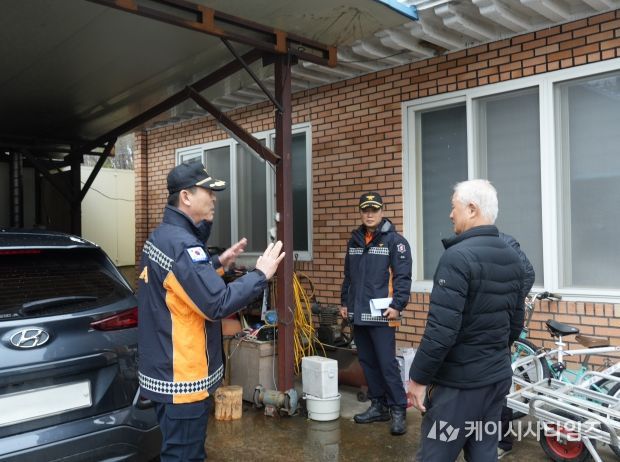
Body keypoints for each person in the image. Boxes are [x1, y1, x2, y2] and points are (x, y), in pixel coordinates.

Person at [137, 161, 285, 461]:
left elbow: (183, 284)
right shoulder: (182, 245)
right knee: (185, 457)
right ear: (186, 197)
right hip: (182, 380)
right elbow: (217, 303)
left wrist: (217, 264)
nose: (214, 198)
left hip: (165, 373)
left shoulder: (165, 237)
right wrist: (260, 275)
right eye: (208, 191)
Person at [407, 179, 524, 462]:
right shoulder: (513, 256)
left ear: (472, 209)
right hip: (494, 382)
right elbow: (515, 325)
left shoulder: (457, 257)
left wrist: (418, 379)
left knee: (436, 455)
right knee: (483, 452)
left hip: (458, 392)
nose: (450, 215)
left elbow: (441, 331)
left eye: (454, 207)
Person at [340, 192, 412, 435]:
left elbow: (403, 277)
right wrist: (344, 302)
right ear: (361, 212)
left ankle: (398, 408)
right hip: (359, 313)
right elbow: (348, 276)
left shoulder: (396, 242)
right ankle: (378, 406)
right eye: (365, 210)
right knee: (368, 363)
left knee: (386, 363)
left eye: (374, 210)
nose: (369, 214)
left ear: (382, 211)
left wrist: (398, 305)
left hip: (383, 314)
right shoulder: (354, 241)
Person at [497, 232, 535, 459]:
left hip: (497, 331)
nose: (452, 216)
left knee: (497, 386)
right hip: (474, 332)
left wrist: (508, 303)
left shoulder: (504, 241)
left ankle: (502, 441)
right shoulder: (465, 243)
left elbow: (527, 273)